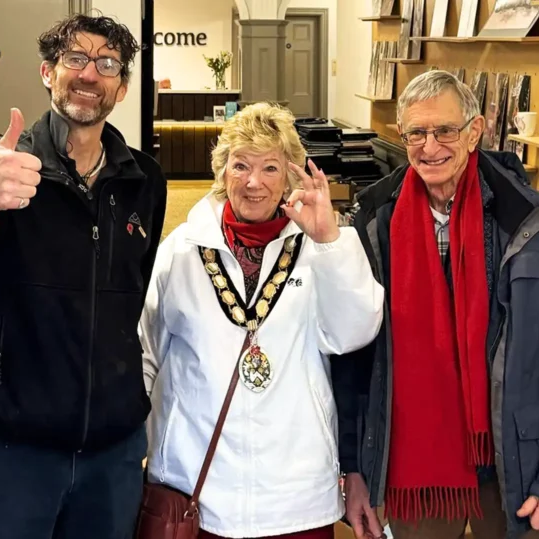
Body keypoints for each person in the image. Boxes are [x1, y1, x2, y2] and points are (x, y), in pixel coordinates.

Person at [0, 14, 166, 539]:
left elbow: (137, 289)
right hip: (9, 451)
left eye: (107, 63)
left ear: (123, 86)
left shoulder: (144, 180)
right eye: (75, 59)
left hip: (111, 454)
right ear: (48, 72)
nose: (90, 74)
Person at [334, 70, 539, 539]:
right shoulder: (375, 221)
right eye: (416, 132)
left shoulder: (528, 220)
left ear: (475, 132)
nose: (430, 146)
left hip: (517, 471)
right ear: (402, 137)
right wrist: (355, 470)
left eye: (445, 131)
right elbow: (355, 361)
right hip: (416, 473)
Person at [139, 102, 385, 539]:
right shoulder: (182, 250)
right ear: (222, 171)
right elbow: (147, 354)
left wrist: (329, 241)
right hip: (196, 483)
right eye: (240, 166)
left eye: (270, 167)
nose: (253, 183)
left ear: (290, 175)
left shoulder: (319, 248)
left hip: (294, 491)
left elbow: (353, 334)